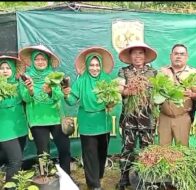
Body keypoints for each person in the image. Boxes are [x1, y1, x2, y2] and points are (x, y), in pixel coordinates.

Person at [62, 47, 115, 190]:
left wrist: (112, 101)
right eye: (91, 65)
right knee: (90, 156)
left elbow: (113, 99)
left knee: (102, 154)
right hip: (87, 124)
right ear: (87, 66)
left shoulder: (106, 79)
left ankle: (98, 178)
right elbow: (72, 100)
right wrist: (66, 94)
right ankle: (94, 185)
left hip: (103, 122)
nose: (94, 68)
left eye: (97, 65)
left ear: (101, 66)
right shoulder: (81, 81)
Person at [19, 45, 71, 175]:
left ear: (47, 61)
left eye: (43, 59)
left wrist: (50, 92)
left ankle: (66, 178)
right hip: (37, 120)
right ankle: (46, 180)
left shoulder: (55, 76)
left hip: (56, 118)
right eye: (37, 59)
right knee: (43, 153)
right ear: (32, 61)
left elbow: (59, 95)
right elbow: (25, 99)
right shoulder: (26, 77)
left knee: (65, 149)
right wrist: (30, 90)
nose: (40, 62)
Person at [116, 41, 157, 190]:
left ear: (145, 56)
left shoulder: (153, 73)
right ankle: (124, 178)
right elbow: (120, 88)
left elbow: (158, 92)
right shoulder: (123, 71)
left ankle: (146, 177)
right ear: (130, 56)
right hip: (129, 118)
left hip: (147, 118)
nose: (137, 56)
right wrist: (128, 90)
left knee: (147, 149)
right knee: (127, 149)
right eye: (135, 53)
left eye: (141, 53)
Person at [159, 44, 196, 146]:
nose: (178, 56)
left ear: (186, 57)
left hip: (182, 117)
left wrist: (191, 94)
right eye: (176, 54)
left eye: (182, 54)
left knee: (182, 150)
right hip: (164, 116)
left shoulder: (193, 73)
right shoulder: (162, 71)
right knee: (163, 150)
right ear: (171, 56)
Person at [0, 55, 28, 182]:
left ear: (13, 70)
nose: (5, 70)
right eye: (2, 68)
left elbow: (27, 98)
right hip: (4, 130)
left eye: (8, 68)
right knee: (16, 161)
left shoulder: (19, 85)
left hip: (20, 128)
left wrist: (30, 89)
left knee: (12, 159)